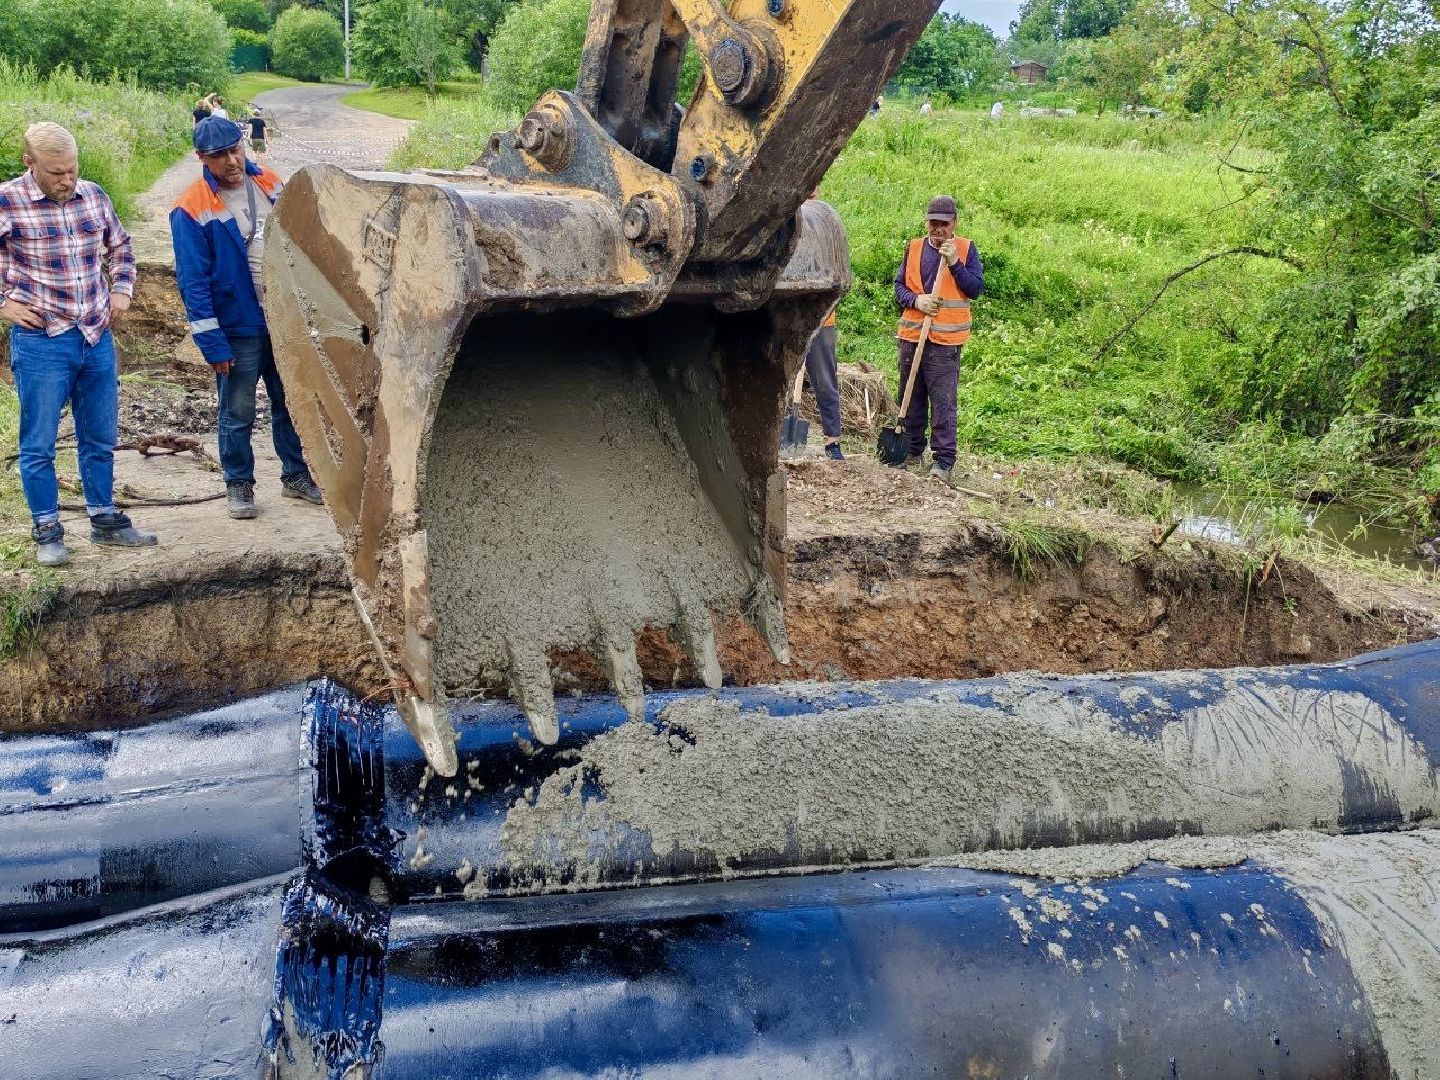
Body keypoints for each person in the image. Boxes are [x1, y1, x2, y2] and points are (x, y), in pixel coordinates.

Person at [0, 122, 158, 566]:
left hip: (94, 334)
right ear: (29, 164)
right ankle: (48, 528)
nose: (67, 180)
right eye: (56, 173)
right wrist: (3, 304)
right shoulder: (7, 200)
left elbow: (122, 247)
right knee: (39, 443)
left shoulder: (94, 195)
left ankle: (104, 520)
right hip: (41, 340)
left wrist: (123, 289)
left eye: (72, 170)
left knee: (100, 436)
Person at [170, 116, 323, 519]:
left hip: (283, 320)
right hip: (237, 327)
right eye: (219, 156)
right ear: (202, 158)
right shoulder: (191, 207)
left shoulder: (271, 183)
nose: (231, 161)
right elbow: (193, 283)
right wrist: (211, 342)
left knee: (290, 403)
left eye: (235, 150)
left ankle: (296, 475)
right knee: (237, 412)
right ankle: (238, 485)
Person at [892, 195, 984, 485]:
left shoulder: (967, 250)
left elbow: (975, 289)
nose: (938, 229)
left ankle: (943, 460)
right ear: (927, 222)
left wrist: (955, 263)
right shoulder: (915, 247)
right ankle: (911, 450)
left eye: (944, 224)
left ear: (954, 223)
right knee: (911, 397)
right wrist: (917, 300)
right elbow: (899, 287)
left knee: (943, 403)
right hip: (912, 336)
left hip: (945, 341)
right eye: (934, 223)